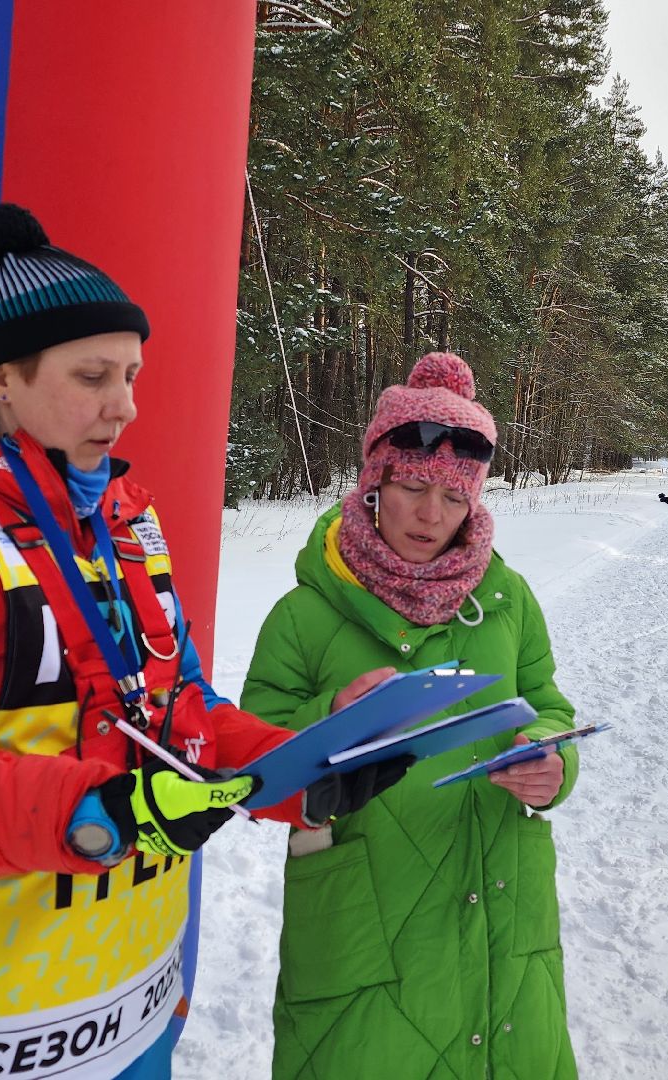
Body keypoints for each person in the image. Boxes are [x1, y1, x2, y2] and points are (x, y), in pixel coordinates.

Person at [0, 204, 403, 1079]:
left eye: (132, 374)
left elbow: (179, 709)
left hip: (135, 1006)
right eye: (92, 376)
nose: (126, 405)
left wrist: (305, 769)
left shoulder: (124, 520)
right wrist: (97, 813)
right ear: (1, 375)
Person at [242, 353, 583, 1080]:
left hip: (501, 907)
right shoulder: (304, 616)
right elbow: (247, 769)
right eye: (413, 488)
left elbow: (548, 704)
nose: (433, 515)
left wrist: (552, 759)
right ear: (375, 484)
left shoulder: (508, 600)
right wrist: (330, 717)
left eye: (455, 497)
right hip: (367, 922)